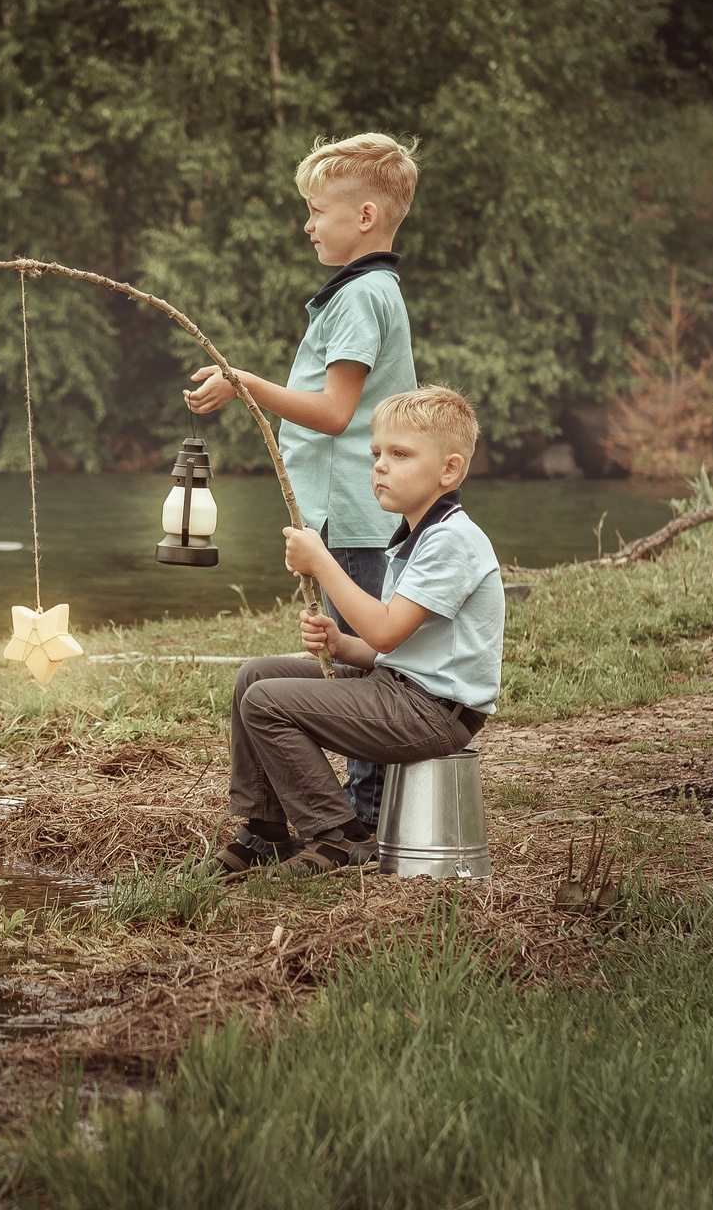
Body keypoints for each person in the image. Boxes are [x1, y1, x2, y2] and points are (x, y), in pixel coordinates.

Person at [182, 133, 419, 832]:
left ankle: (365, 818)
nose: (307, 225)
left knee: (359, 673)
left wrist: (245, 383)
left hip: (357, 517)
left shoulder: (360, 296)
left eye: (317, 211)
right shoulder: (366, 290)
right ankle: (309, 817)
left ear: (365, 216)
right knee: (348, 663)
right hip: (348, 514)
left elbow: (336, 412)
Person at [208, 386, 503, 877]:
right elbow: (399, 650)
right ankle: (266, 829)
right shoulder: (417, 538)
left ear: (449, 470)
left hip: (434, 713)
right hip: (401, 690)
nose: (380, 466)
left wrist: (321, 562)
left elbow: (386, 634)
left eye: (400, 454)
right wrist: (342, 644)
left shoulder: (453, 541)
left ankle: (339, 835)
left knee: (266, 702)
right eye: (376, 454)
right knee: (254, 678)